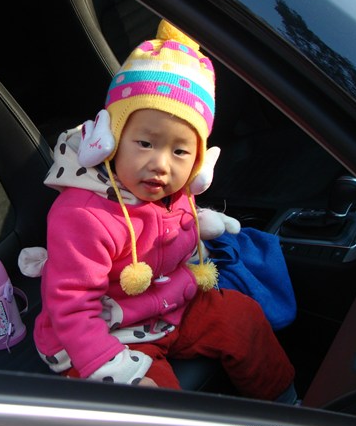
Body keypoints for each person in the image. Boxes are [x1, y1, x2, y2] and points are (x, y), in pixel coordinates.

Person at [32, 20, 296, 401]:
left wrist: (199, 228)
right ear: (110, 139)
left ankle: (287, 409)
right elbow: (71, 309)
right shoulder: (83, 216)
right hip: (108, 334)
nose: (161, 165)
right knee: (160, 403)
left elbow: (173, 237)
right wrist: (114, 369)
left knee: (243, 316)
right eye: (144, 143)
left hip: (171, 307)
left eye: (180, 151)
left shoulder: (174, 192)